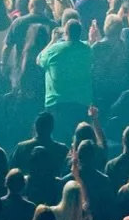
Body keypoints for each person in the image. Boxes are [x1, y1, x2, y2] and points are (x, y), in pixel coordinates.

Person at [36, 17, 93, 147]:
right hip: (81, 102)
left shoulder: (53, 49)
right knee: (80, 140)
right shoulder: (87, 49)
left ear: (65, 32)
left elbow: (38, 59)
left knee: (57, 141)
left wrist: (53, 40)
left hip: (57, 103)